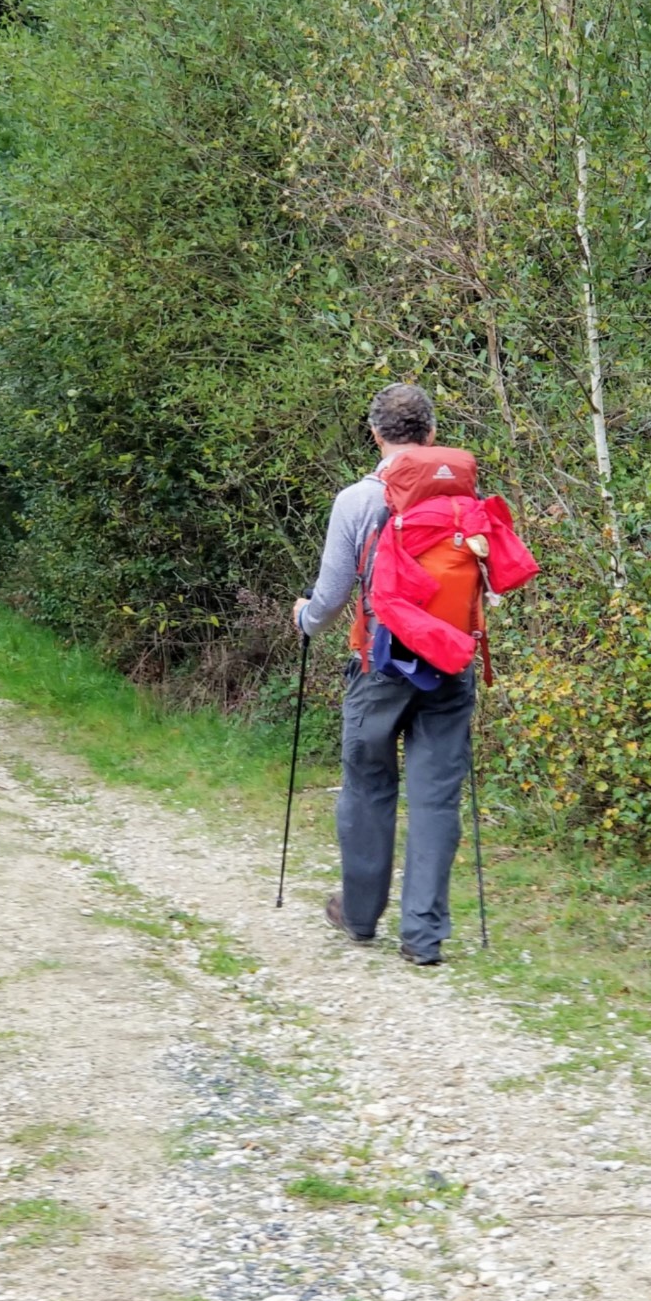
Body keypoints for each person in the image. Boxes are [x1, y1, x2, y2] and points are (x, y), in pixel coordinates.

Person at [292, 382, 474, 967]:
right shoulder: (461, 498)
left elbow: (329, 600)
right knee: (436, 799)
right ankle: (422, 937)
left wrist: (303, 617)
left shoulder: (356, 501)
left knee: (369, 786)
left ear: (375, 435)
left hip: (379, 665)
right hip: (448, 664)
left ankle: (362, 916)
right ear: (432, 433)